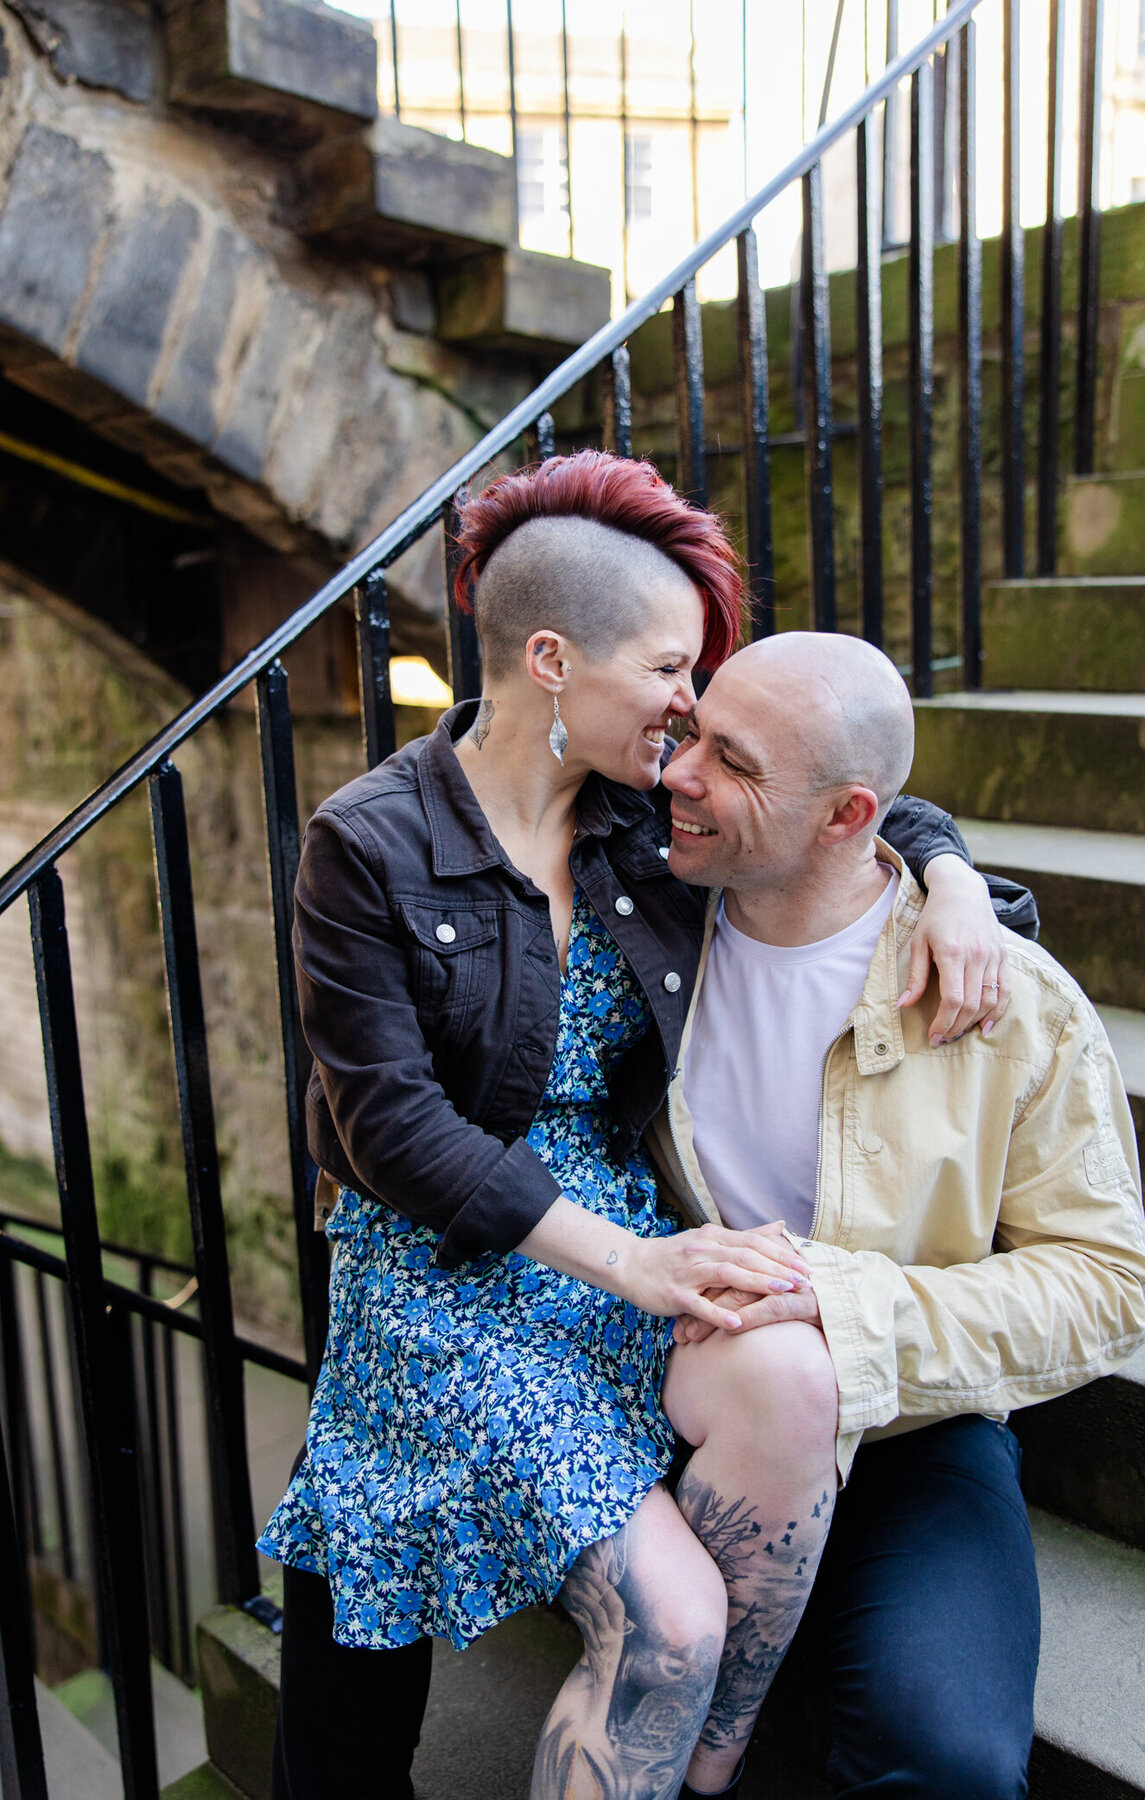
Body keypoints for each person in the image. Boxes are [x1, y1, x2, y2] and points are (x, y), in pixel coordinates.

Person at [259, 452, 1020, 1800]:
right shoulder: (366, 845)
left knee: (783, 1376)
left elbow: (840, 788)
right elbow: (386, 1129)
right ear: (550, 658)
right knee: (636, 1616)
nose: (692, 703)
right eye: (672, 670)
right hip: (452, 1262)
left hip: (627, 1235)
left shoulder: (639, 813)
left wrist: (952, 876)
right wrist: (636, 1264)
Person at [646, 630, 1145, 1797]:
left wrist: (843, 1309)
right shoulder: (639, 927)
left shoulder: (1007, 998)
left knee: (951, 1759)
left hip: (908, 1426)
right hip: (673, 1395)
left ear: (845, 817)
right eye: (690, 732)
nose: (677, 773)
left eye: (729, 759)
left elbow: (1109, 1284)